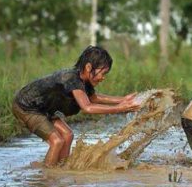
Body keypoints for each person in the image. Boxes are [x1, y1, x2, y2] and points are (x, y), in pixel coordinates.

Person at [11, 46, 141, 167]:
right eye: (103, 73)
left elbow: (93, 98)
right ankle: (47, 178)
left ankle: (61, 169)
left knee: (67, 135)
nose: (103, 78)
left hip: (43, 108)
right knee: (56, 141)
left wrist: (122, 99)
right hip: (26, 106)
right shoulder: (72, 78)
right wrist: (120, 108)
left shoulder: (84, 80)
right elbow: (87, 107)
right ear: (89, 67)